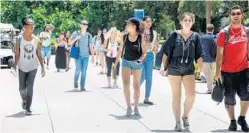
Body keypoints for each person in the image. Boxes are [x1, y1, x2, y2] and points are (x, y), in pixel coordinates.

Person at [160, 12, 203, 131]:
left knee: (191, 95)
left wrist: (202, 70)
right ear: (181, 22)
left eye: (190, 20)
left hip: (189, 68)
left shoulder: (196, 36)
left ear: (192, 22)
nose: (187, 22)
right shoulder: (174, 35)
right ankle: (177, 122)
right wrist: (163, 67)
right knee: (176, 97)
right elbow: (165, 51)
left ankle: (185, 116)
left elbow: (199, 54)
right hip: (174, 68)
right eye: (185, 20)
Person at [215, 5, 249, 132]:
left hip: (244, 69)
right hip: (227, 71)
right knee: (229, 98)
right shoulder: (224, 33)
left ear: (242, 15)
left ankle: (242, 118)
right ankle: (233, 121)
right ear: (230, 16)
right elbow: (219, 55)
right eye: (233, 13)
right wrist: (217, 73)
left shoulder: (247, 31)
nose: (236, 15)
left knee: (246, 95)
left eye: (238, 13)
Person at [115, 18, 147, 116]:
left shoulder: (141, 37)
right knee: (126, 85)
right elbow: (120, 50)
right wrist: (116, 62)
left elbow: (144, 53)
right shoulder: (124, 36)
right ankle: (129, 107)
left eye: (128, 24)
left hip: (137, 63)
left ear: (134, 27)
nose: (126, 26)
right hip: (126, 62)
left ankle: (136, 107)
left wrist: (140, 60)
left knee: (136, 86)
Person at [14, 17, 45, 115]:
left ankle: (28, 108)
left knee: (30, 87)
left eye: (33, 25)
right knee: (21, 89)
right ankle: (24, 99)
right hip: (22, 66)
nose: (32, 27)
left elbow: (39, 53)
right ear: (25, 26)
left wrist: (43, 67)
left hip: (33, 66)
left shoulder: (36, 39)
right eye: (30, 25)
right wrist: (15, 65)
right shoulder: (19, 38)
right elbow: (17, 53)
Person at [69, 20, 95, 92]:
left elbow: (91, 46)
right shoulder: (76, 33)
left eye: (86, 24)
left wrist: (92, 57)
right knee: (78, 70)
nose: (84, 25)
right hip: (78, 55)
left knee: (84, 72)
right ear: (80, 25)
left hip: (86, 56)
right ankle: (75, 81)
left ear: (87, 26)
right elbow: (69, 42)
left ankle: (82, 86)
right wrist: (76, 38)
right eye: (83, 24)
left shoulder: (89, 35)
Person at [140, 16, 159, 105]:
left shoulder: (154, 33)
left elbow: (155, 47)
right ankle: (135, 90)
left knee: (149, 78)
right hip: (140, 55)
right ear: (143, 22)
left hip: (150, 55)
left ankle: (147, 98)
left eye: (150, 21)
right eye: (147, 21)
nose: (149, 23)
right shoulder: (139, 32)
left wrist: (156, 49)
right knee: (142, 75)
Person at [201, 24, 216, 94]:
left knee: (207, 74)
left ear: (206, 29)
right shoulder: (216, 37)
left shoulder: (202, 38)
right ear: (213, 30)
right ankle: (210, 88)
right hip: (214, 59)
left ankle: (210, 88)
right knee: (212, 74)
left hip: (205, 59)